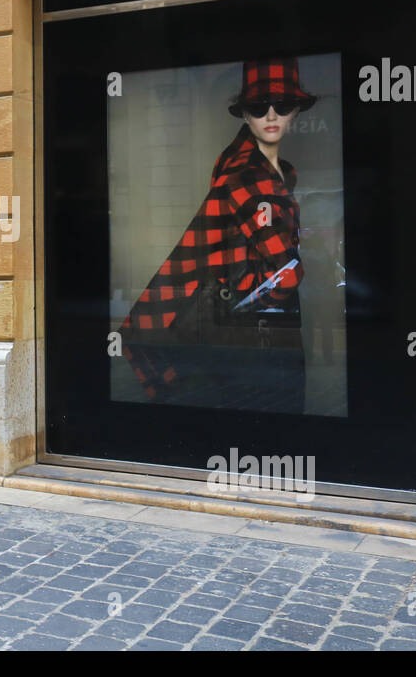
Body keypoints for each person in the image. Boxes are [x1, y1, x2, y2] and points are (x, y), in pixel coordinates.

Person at [119, 58, 316, 414]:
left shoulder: (269, 170)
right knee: (272, 425)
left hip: (251, 333)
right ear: (245, 115)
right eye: (259, 107)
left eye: (282, 106)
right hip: (259, 338)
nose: (271, 116)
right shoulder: (245, 176)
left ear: (295, 112)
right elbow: (288, 272)